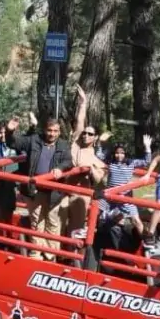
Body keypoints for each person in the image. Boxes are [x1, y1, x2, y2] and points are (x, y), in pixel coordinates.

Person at [5, 116, 73, 261]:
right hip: (35, 188)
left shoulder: (63, 145)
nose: (52, 134)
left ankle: (50, 254)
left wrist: (60, 168)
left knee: (53, 222)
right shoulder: (34, 140)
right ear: (44, 130)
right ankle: (36, 253)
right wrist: (10, 131)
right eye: (49, 130)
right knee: (37, 222)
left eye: (55, 131)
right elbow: (14, 143)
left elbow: (68, 161)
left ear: (59, 132)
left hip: (54, 190)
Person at [64, 85, 107, 237]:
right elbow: (80, 121)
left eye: (90, 134)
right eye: (84, 133)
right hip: (63, 191)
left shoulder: (97, 159)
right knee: (59, 225)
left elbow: (101, 182)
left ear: (95, 137)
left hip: (80, 196)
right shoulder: (76, 144)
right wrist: (83, 103)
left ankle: (71, 257)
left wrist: (92, 170)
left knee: (75, 229)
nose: (85, 136)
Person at [98, 135, 152, 234]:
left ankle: (147, 242)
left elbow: (146, 161)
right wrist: (101, 143)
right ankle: (94, 238)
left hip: (125, 197)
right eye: (117, 153)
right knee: (96, 211)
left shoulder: (131, 163)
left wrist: (147, 147)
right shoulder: (111, 162)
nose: (119, 155)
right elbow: (98, 155)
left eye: (122, 153)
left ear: (126, 153)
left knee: (136, 220)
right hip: (110, 196)